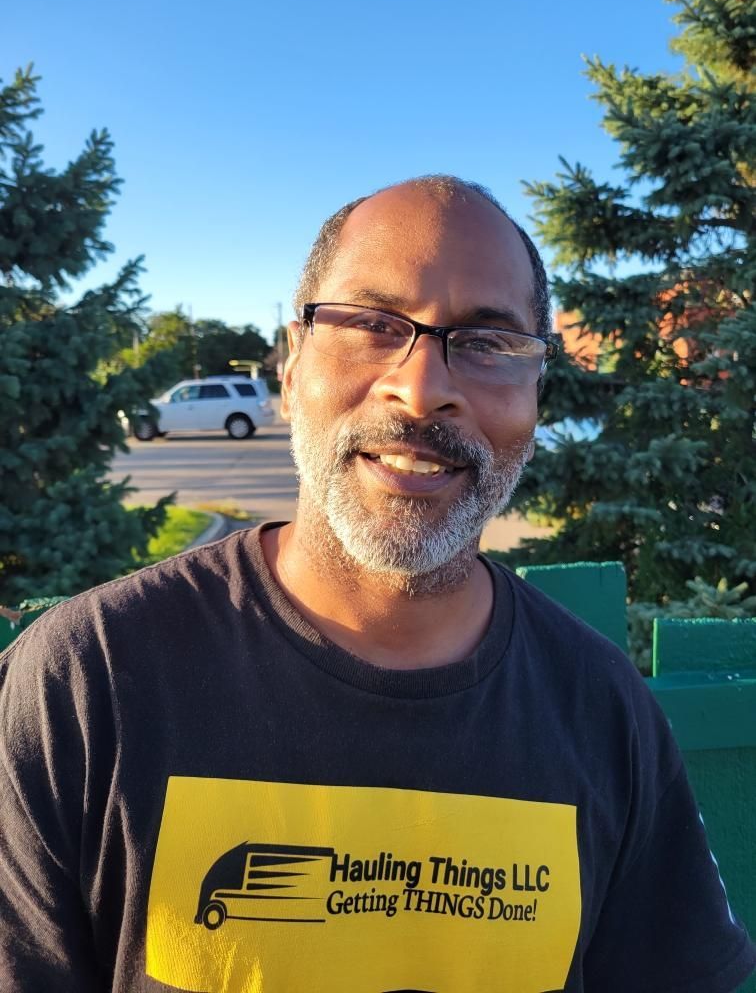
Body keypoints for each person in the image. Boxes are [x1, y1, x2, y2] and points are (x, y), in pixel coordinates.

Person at [0, 176, 753, 993]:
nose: (423, 388)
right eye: (370, 325)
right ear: (290, 369)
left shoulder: (604, 711)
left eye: (488, 343)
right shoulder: (86, 680)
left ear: (536, 394)